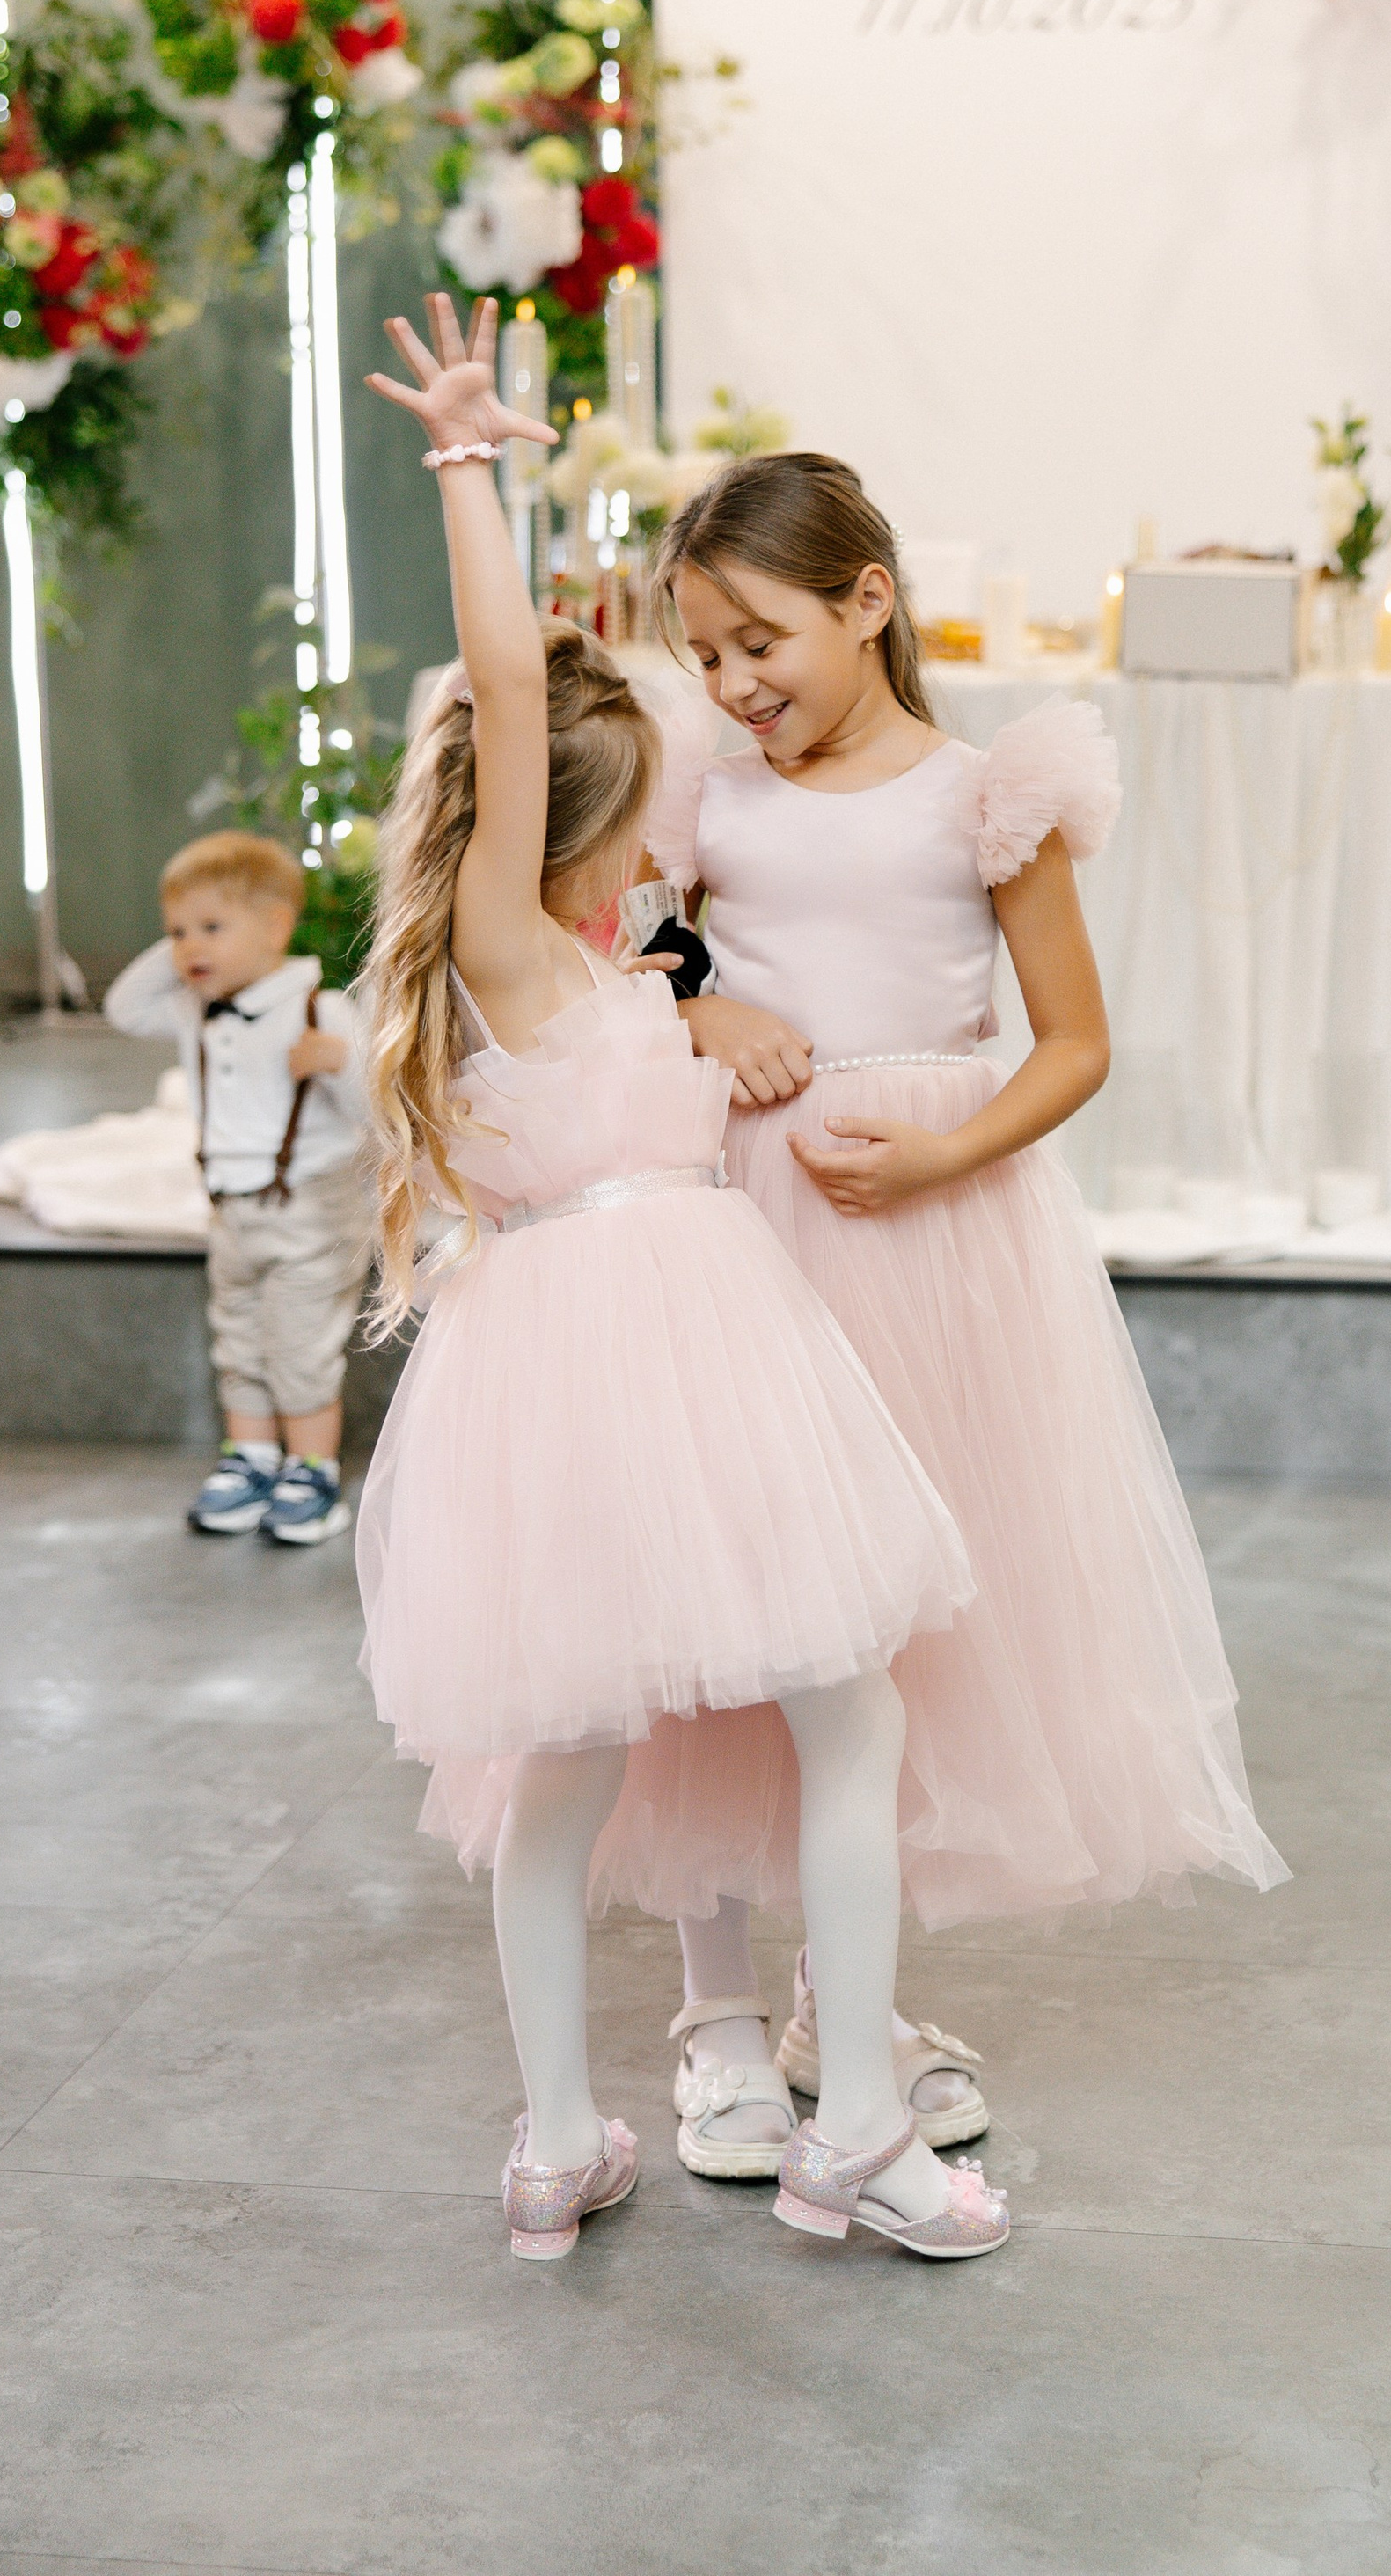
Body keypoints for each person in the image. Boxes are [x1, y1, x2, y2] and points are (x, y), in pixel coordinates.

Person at [352, 295, 1006, 2265]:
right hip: (669, 1354)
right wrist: (469, 465)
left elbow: (663, 982)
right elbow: (505, 676)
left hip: (571, 1374)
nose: (661, 856)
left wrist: (689, 1006)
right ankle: (858, 2127)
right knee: (848, 1718)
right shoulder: (516, 941)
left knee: (563, 1775)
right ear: (565, 827)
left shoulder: (589, 972)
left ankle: (561, 2141)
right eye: (634, 825)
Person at [620, 451, 1288, 2180]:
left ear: (867, 600)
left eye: (759, 640)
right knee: (720, 1604)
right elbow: (628, 953)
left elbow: (1073, 1043)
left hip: (923, 1245)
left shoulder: (988, 799)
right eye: (706, 653)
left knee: (882, 1637)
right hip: (736, 1227)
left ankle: (840, 2006)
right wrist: (705, 1013)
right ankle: (709, 2016)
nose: (733, 682)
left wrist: (941, 1155)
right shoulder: (700, 798)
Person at [106, 831, 370, 1547]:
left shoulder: (320, 1010)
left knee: (298, 1347)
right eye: (177, 932)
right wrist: (192, 947)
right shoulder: (193, 1006)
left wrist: (339, 1063)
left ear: (277, 927)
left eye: (212, 927)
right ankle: (250, 1457)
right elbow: (123, 1008)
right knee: (240, 1341)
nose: (190, 947)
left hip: (311, 1211)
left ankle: (311, 1469)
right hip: (229, 1212)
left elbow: (379, 1113)